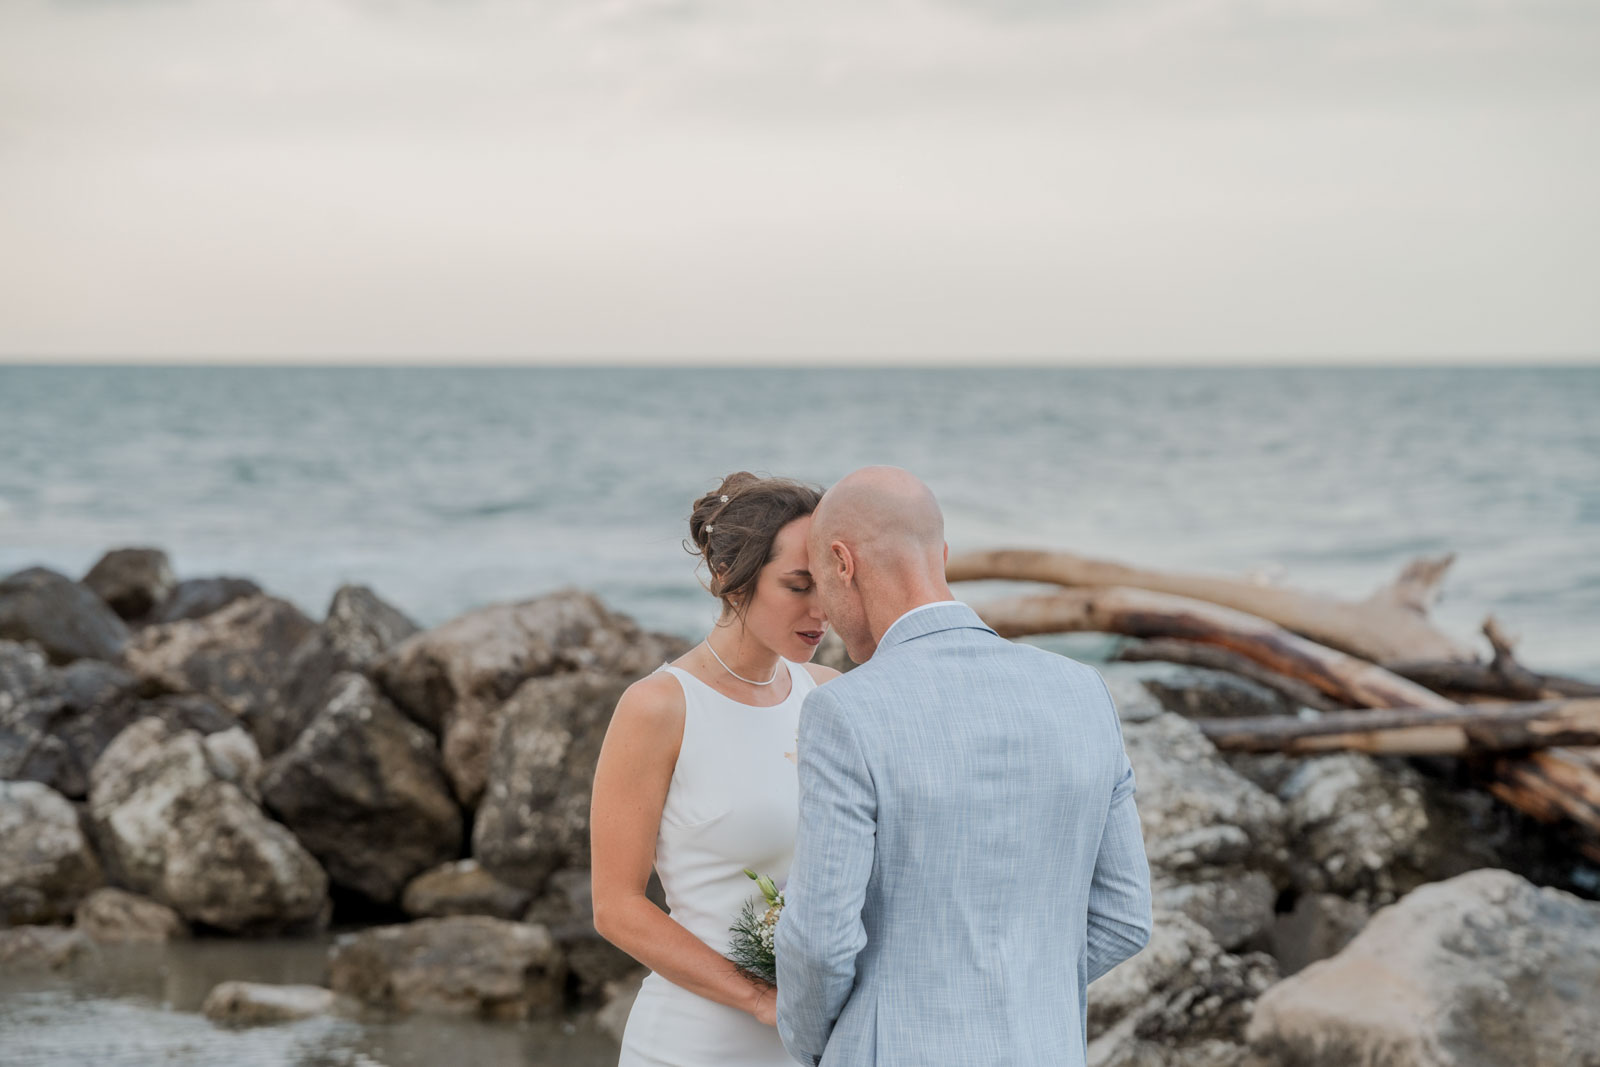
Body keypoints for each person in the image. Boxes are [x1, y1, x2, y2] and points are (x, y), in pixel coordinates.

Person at [776, 465, 1153, 1067]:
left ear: (843, 563)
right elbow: (1125, 917)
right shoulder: (1084, 690)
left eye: (819, 581)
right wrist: (1024, 992)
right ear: (942, 555)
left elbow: (820, 943)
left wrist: (819, 1048)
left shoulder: (845, 710)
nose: (823, 609)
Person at [591, 471, 839, 1066]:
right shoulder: (659, 707)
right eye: (798, 585)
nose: (821, 608)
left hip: (816, 1043)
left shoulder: (829, 695)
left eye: (830, 584)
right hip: (692, 1044)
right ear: (730, 579)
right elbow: (616, 907)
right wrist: (759, 999)